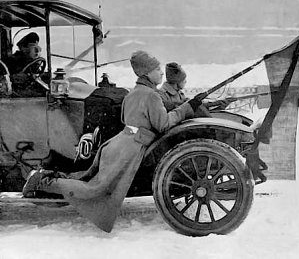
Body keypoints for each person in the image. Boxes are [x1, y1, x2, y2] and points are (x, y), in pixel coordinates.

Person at [21, 50, 203, 232]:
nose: (162, 73)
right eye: (157, 70)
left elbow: (126, 120)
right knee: (94, 189)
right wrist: (186, 108)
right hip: (129, 148)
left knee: (88, 178)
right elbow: (163, 125)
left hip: (120, 143)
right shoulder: (150, 95)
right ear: (147, 73)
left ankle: (47, 177)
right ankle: (42, 182)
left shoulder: (134, 92)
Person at [158, 62, 230, 114]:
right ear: (177, 81)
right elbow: (183, 108)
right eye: (183, 80)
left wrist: (215, 104)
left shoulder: (179, 93)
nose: (185, 82)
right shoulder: (162, 95)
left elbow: (192, 106)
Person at [4, 32, 48, 96]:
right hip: (15, 93)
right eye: (32, 47)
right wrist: (15, 77)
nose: (36, 51)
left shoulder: (33, 62)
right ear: (23, 48)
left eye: (36, 47)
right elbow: (6, 79)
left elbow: (36, 75)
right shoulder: (12, 61)